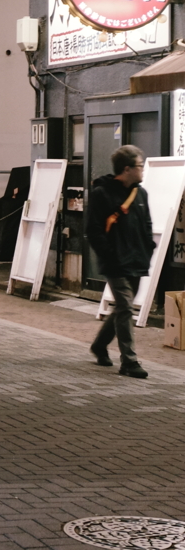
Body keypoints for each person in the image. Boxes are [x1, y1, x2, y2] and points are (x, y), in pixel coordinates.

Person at [86, 144, 154, 378]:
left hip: (137, 260)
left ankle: (99, 345)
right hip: (115, 262)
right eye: (139, 165)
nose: (142, 169)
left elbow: (147, 225)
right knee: (125, 305)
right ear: (126, 169)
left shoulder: (140, 193)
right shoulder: (102, 194)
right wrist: (109, 255)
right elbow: (93, 230)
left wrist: (148, 249)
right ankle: (129, 361)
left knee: (121, 308)